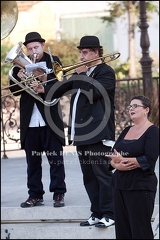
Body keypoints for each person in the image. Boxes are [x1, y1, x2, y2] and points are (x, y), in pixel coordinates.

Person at [34, 35, 116, 227]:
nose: (81, 57)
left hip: (98, 132)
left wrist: (82, 75)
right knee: (88, 176)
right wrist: (43, 85)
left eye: (85, 52)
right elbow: (61, 88)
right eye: (80, 52)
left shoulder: (106, 72)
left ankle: (110, 214)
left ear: (96, 53)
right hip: (81, 133)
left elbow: (94, 94)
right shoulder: (82, 73)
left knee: (102, 175)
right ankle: (96, 213)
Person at [9, 32, 67, 208]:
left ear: (43, 46)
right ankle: (35, 195)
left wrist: (44, 88)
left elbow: (62, 85)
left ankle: (58, 193)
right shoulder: (19, 65)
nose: (33, 51)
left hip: (49, 120)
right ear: (26, 50)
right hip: (30, 121)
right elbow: (14, 91)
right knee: (32, 163)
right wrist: (19, 79)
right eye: (30, 48)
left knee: (55, 160)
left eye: (36, 47)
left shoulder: (53, 60)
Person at [106, 95, 159, 239]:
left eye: (136, 106)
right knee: (122, 231)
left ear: (146, 110)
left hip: (140, 186)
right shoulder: (126, 130)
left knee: (140, 230)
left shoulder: (153, 131)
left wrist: (122, 160)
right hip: (119, 184)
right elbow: (112, 155)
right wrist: (117, 164)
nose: (131, 109)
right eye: (130, 107)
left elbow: (149, 159)